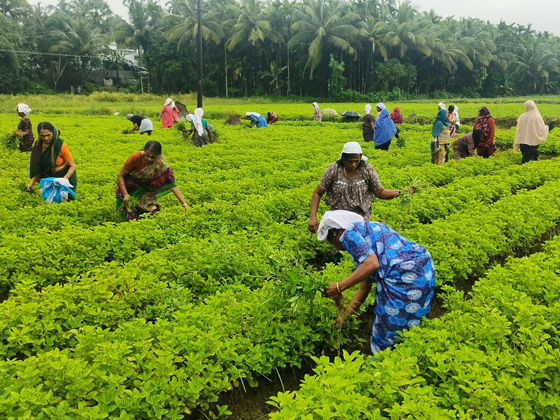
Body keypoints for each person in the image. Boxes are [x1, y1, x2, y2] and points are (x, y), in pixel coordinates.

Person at [319, 210, 435, 355]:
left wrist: (338, 287)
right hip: (424, 272)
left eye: (331, 241)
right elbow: (364, 288)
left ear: (335, 232)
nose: (334, 246)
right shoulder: (366, 233)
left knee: (385, 335)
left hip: (405, 278)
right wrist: (344, 317)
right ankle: (411, 362)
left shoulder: (348, 234)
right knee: (413, 327)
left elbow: (372, 265)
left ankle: (381, 371)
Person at [308, 142, 405, 234]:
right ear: (343, 159)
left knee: (359, 245)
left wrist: (401, 192)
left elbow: (380, 192)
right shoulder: (333, 170)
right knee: (341, 246)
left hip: (361, 218)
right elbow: (318, 192)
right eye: (350, 161)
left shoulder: (367, 170)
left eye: (356, 161)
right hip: (339, 218)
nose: (353, 164)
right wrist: (313, 217)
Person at [116, 140, 188, 221]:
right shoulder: (135, 157)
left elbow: (171, 183)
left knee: (152, 212)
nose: (149, 159)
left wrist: (184, 203)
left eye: (153, 157)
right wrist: (126, 195)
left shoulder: (160, 163)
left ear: (158, 156)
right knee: (131, 211)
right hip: (130, 187)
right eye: (147, 155)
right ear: (144, 152)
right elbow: (120, 175)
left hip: (145, 188)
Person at [27, 122, 77, 200]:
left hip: (65, 177)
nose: (46, 138)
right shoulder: (38, 145)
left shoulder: (60, 145)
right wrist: (31, 183)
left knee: (65, 203)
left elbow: (73, 166)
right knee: (51, 201)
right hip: (50, 179)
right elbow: (38, 166)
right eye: (42, 136)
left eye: (48, 135)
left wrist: (64, 180)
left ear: (53, 132)